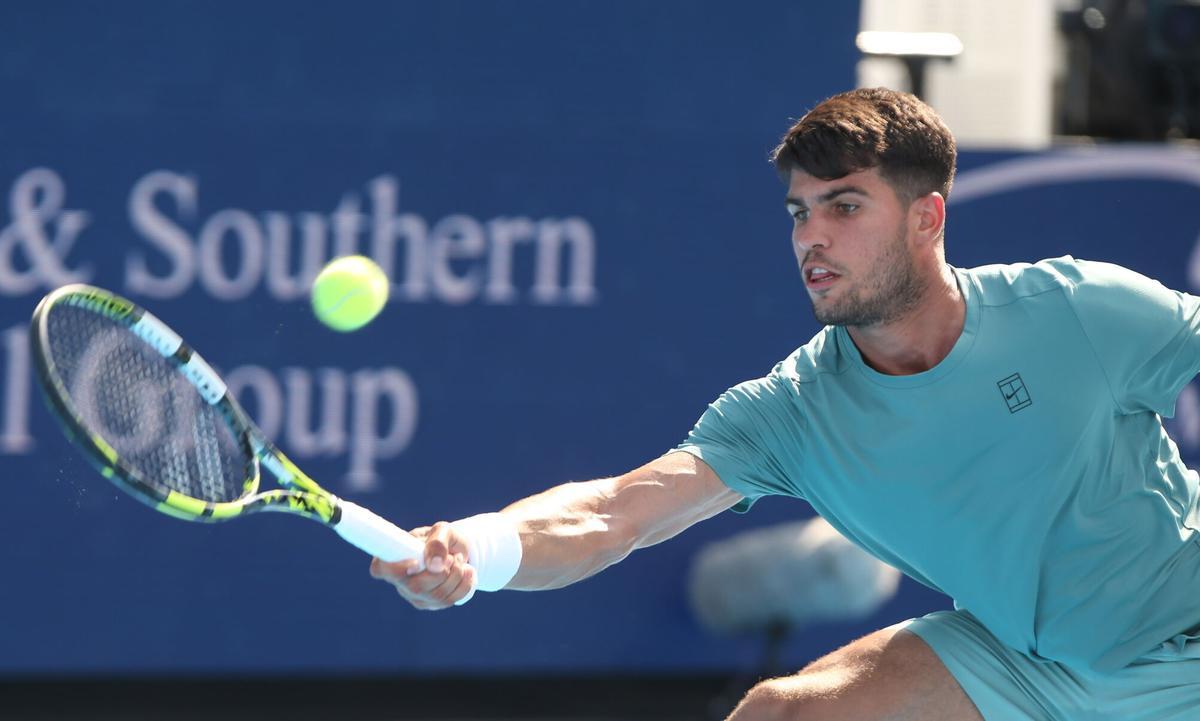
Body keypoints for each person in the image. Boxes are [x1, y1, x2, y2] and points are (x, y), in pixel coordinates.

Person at [370, 87, 1200, 720]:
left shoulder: (1074, 309)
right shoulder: (794, 411)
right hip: (1028, 660)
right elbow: (614, 512)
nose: (812, 237)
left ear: (927, 217)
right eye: (800, 213)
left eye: (844, 206)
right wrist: (474, 547)